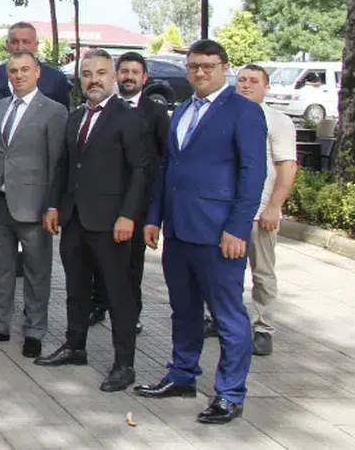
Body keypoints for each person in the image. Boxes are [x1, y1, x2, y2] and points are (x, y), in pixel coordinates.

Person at [135, 40, 267, 426]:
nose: (200, 73)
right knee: (184, 310)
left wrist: (237, 228)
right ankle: (181, 374)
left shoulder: (243, 111)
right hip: (179, 230)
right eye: (194, 66)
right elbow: (168, 170)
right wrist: (154, 217)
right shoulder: (182, 111)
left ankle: (229, 394)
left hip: (219, 233)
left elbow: (252, 175)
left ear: (225, 67)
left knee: (228, 317)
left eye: (208, 66)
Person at [34, 50, 147, 392]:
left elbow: (141, 171)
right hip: (74, 219)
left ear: (113, 77)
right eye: (86, 74)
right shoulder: (76, 116)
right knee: (76, 288)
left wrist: (129, 215)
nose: (93, 79)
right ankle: (75, 345)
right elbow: (65, 166)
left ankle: (124, 364)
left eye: (100, 73)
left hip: (112, 222)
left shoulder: (128, 117)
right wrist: (53, 206)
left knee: (117, 294)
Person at [0, 51, 66, 359]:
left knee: (37, 272)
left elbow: (57, 164)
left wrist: (53, 205)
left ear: (37, 73)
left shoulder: (53, 111)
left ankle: (35, 330)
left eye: (25, 70)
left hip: (34, 207)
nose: (19, 75)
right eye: (13, 71)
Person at [218, 64, 297, 357]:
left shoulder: (277, 121)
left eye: (254, 81)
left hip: (259, 211)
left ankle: (263, 327)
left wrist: (274, 206)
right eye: (242, 80)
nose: (246, 85)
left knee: (262, 272)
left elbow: (287, 165)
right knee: (222, 271)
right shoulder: (224, 115)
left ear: (266, 87)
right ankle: (220, 317)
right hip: (226, 210)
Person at [89, 51, 170, 330]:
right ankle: (98, 304)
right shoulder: (100, 107)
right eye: (124, 71)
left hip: (137, 202)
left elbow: (162, 157)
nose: (129, 77)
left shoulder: (156, 112)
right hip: (101, 201)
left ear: (144, 78)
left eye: (135, 72)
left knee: (131, 263)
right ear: (115, 75)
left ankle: (131, 314)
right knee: (99, 259)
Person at [0, 22, 72, 112]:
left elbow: (62, 118)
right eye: (14, 42)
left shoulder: (56, 78)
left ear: (36, 45)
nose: (20, 47)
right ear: (7, 44)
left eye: (26, 42)